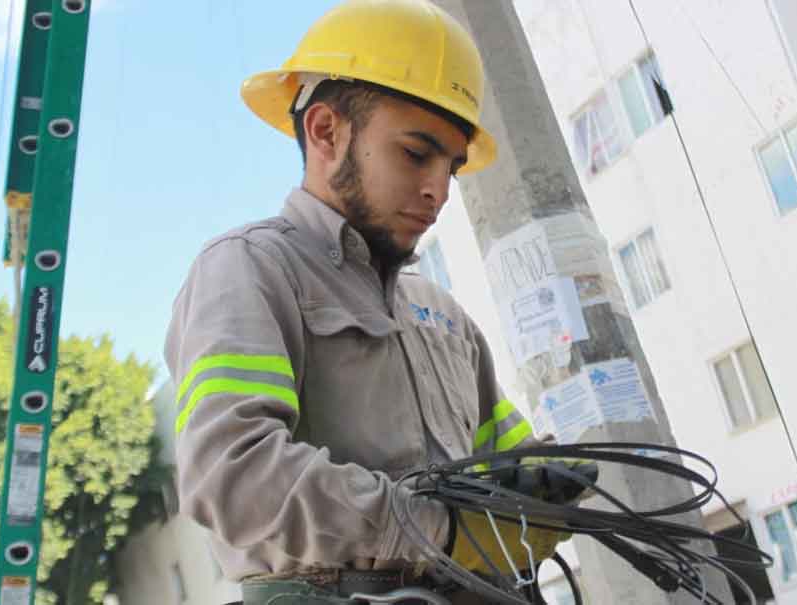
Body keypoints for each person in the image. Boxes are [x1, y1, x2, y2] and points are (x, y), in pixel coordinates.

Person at [164, 1, 569, 603]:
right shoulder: (249, 269)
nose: (438, 190)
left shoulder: (443, 315)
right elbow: (235, 475)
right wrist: (438, 530)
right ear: (326, 130)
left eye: (452, 167)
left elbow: (505, 454)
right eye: (415, 152)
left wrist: (552, 482)